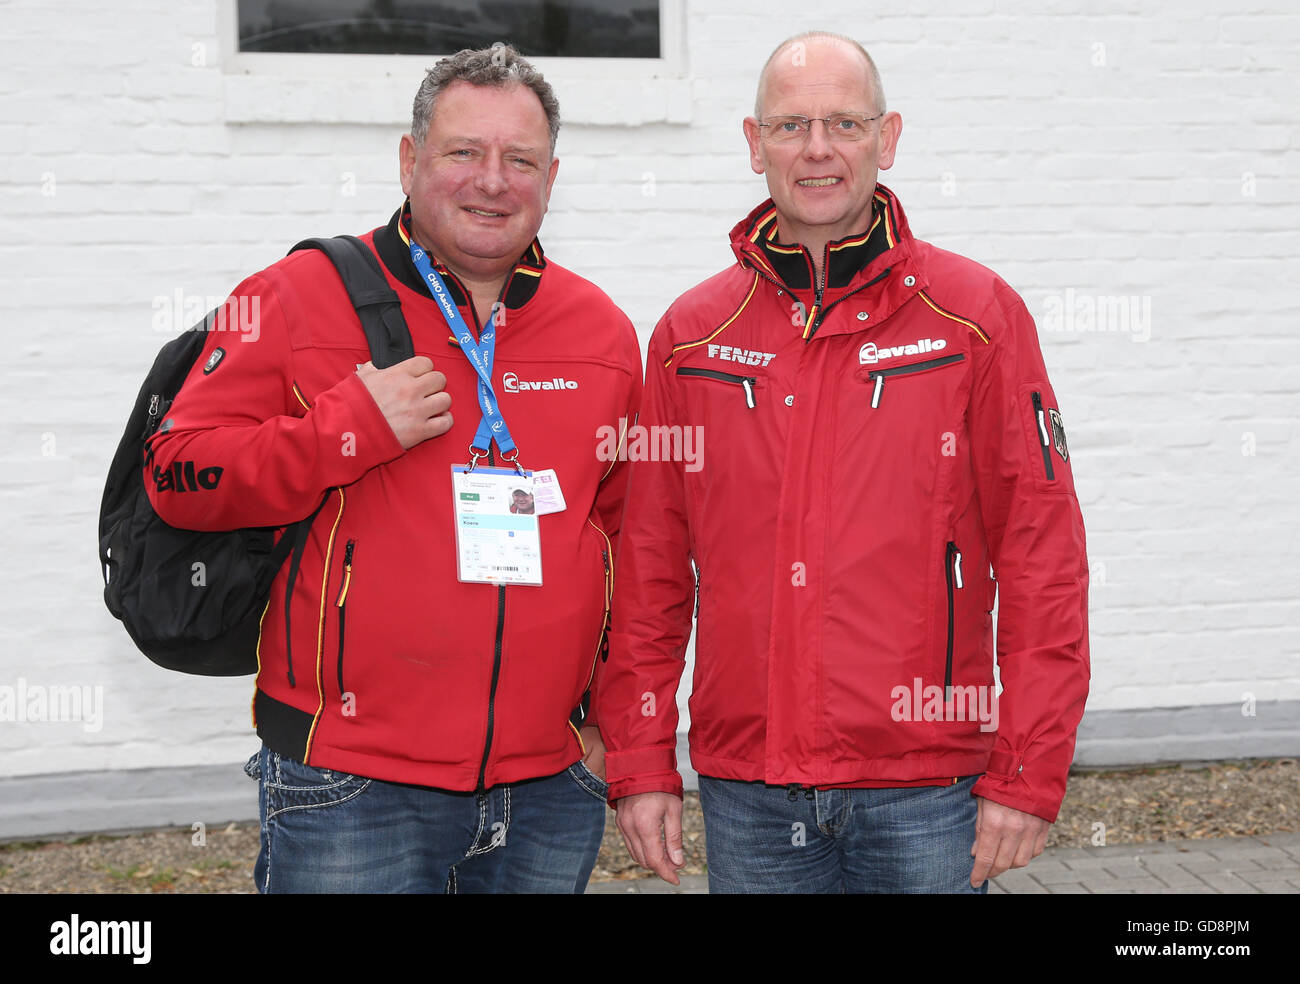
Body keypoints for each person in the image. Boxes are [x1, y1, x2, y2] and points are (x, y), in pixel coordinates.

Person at [599, 31, 1089, 893]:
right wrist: (640, 760)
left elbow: (1043, 557)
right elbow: (648, 570)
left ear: (887, 137)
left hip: (926, 788)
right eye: (790, 127)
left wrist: (1029, 770)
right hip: (749, 789)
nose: (817, 149)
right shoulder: (690, 337)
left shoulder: (977, 319)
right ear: (754, 146)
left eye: (843, 122)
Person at [145, 44, 641, 893]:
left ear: (551, 177)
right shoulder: (295, 296)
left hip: (549, 789)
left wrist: (611, 729)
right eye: (462, 152)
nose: (492, 180)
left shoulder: (600, 331)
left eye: (519, 159)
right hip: (350, 787)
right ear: (410, 160)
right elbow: (180, 474)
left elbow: (632, 545)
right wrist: (341, 432)